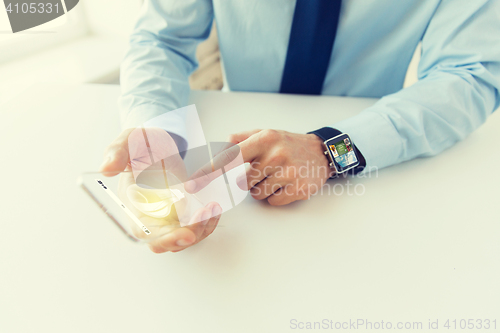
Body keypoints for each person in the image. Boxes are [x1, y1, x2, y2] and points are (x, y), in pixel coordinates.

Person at [100, 0, 500, 253]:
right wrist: (156, 131)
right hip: (233, 145)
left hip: (373, 185)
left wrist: (329, 150)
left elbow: (469, 74)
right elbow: (163, 39)